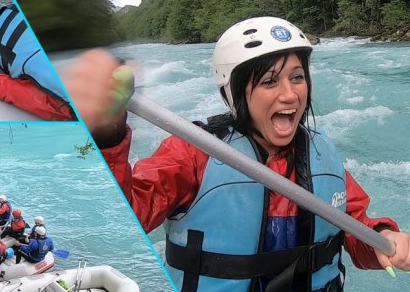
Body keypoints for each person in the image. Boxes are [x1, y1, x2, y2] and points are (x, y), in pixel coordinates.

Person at [64, 17, 410, 291]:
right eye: (270, 81)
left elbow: (355, 228)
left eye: (298, 77)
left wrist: (385, 239)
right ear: (236, 93)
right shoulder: (193, 152)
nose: (290, 95)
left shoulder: (321, 151)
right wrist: (107, 134)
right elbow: (123, 217)